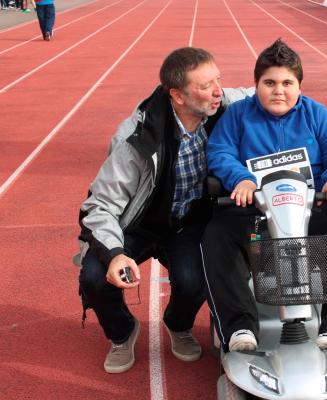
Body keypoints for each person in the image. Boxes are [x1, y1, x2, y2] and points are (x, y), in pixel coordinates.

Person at [76, 47, 253, 373]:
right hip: (138, 224)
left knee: (196, 279)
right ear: (178, 95)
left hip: (187, 224)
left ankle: (178, 324)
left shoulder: (224, 105)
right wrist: (115, 253)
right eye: (205, 85)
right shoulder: (137, 138)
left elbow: (271, 90)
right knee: (94, 276)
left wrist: (289, 91)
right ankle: (122, 332)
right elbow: (99, 205)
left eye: (218, 80)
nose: (218, 91)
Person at [201, 39, 327, 352]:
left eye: (287, 82)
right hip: (255, 211)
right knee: (216, 234)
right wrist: (241, 179)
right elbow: (219, 151)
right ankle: (239, 329)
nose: (279, 90)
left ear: (300, 86)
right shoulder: (238, 116)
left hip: (309, 208)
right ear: (256, 84)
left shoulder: (316, 115)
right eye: (270, 82)